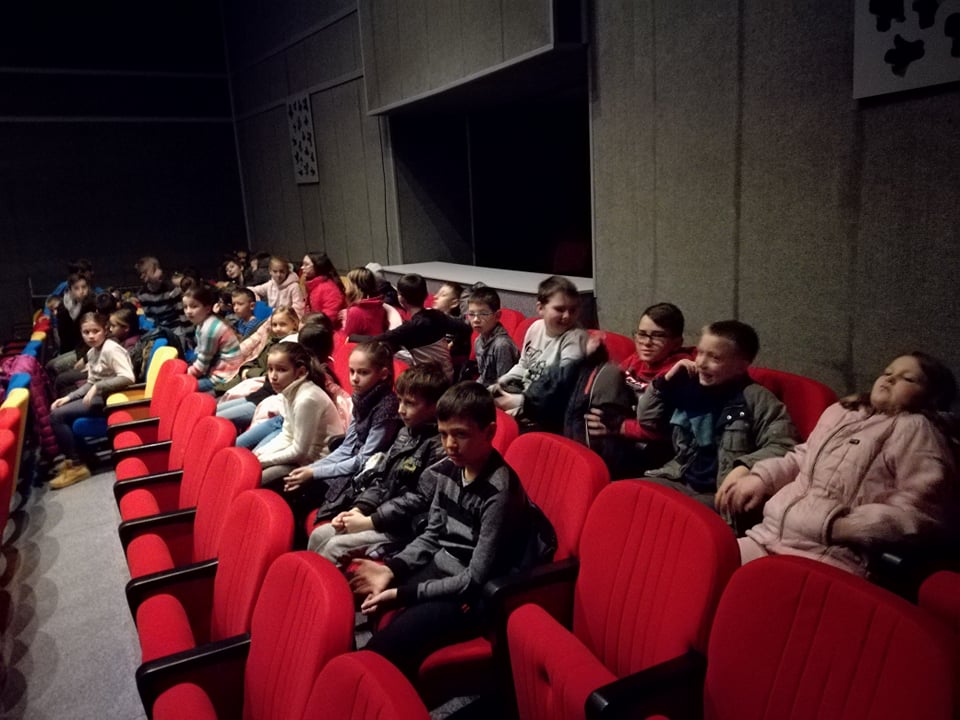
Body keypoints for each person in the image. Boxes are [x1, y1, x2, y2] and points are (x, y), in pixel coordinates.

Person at [351, 382, 534, 680]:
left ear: (489, 433)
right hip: (441, 567)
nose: (450, 445)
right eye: (443, 434)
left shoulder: (498, 493)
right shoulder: (449, 468)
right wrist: (392, 569)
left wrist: (403, 593)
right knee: (361, 592)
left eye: (460, 434)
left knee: (383, 650)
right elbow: (432, 535)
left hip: (471, 596)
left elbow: (473, 579)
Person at [724, 352, 960, 577]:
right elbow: (803, 457)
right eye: (888, 372)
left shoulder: (919, 430)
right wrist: (761, 478)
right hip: (769, 534)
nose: (890, 379)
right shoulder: (844, 412)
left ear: (931, 395)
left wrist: (841, 526)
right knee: (712, 564)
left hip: (828, 555)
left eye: (907, 378)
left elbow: (920, 513)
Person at [638, 320, 798, 509]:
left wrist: (745, 466)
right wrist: (665, 380)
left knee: (667, 513)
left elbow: (784, 445)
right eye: (700, 353)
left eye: (715, 358)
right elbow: (647, 419)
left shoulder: (757, 398)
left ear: (741, 366)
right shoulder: (690, 385)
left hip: (717, 492)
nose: (701, 363)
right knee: (627, 495)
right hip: (678, 477)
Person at [307, 363, 449, 565]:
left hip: (405, 528)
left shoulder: (440, 446)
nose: (401, 410)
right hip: (381, 515)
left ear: (435, 406)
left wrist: (370, 521)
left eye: (410, 403)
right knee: (319, 535)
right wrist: (359, 509)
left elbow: (419, 500)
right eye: (399, 400)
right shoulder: (405, 433)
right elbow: (381, 477)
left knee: (334, 547)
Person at [279, 341, 402, 533]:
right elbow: (347, 447)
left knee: (300, 497)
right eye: (352, 371)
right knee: (290, 486)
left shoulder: (387, 407)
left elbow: (364, 460)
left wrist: (314, 473)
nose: (354, 379)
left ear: (383, 374)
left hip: (366, 476)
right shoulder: (361, 397)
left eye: (363, 372)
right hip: (349, 464)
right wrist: (311, 468)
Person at [583, 303, 696, 474]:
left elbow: (667, 432)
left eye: (658, 336)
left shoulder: (679, 373)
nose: (646, 343)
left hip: (658, 451)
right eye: (642, 334)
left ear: (676, 343)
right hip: (627, 436)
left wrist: (620, 427)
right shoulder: (636, 361)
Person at [48, 312, 135, 489]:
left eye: (95, 331)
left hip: (115, 399)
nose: (91, 336)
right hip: (103, 397)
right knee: (59, 410)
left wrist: (98, 387)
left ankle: (77, 465)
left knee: (57, 416)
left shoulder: (111, 349)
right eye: (86, 332)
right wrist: (68, 397)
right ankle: (85, 457)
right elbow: (90, 382)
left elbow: (128, 377)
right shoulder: (92, 352)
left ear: (105, 330)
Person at [491, 275, 587, 424]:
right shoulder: (535, 328)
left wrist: (519, 401)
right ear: (540, 308)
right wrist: (501, 382)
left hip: (550, 408)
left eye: (573, 310)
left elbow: (563, 386)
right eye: (560, 309)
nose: (567, 316)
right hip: (526, 394)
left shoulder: (576, 338)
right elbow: (524, 364)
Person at [253, 342, 345, 485]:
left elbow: (299, 452)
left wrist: (262, 461)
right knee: (252, 462)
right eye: (270, 369)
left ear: (300, 372)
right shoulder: (288, 391)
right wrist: (260, 454)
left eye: (281, 370)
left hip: (315, 464)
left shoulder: (306, 399)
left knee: (254, 479)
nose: (273, 376)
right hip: (301, 458)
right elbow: (288, 435)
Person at [350, 273, 470, 381]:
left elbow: (378, 339)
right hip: (447, 374)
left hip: (434, 382)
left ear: (401, 298)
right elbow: (466, 329)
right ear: (426, 295)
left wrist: (350, 337)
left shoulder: (413, 327)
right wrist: (453, 345)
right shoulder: (436, 315)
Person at [183, 284, 242, 392]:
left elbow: (201, 367)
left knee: (183, 388)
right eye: (185, 307)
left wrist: (183, 376)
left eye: (194, 306)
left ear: (207, 309)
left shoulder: (209, 329)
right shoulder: (203, 324)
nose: (188, 311)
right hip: (215, 368)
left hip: (225, 376)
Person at [467, 287, 519, 386]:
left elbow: (504, 384)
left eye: (483, 314)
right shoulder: (478, 341)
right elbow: (483, 377)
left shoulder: (502, 345)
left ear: (497, 316)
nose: (476, 320)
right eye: (471, 314)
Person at [135, 256, 190, 336]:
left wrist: (188, 334)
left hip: (175, 328)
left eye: (159, 268)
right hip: (159, 329)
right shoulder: (142, 295)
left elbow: (182, 313)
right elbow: (149, 317)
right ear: (144, 277)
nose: (160, 272)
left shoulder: (172, 290)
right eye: (154, 270)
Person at [301, 251, 346, 324]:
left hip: (326, 328)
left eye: (306, 265)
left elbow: (329, 318)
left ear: (318, 266)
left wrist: (310, 326)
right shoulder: (313, 285)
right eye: (303, 264)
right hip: (315, 325)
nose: (302, 267)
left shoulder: (329, 288)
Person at [342, 266, 388, 336]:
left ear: (354, 288)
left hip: (364, 343)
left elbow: (348, 338)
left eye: (348, 285)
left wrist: (345, 322)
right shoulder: (378, 304)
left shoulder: (355, 311)